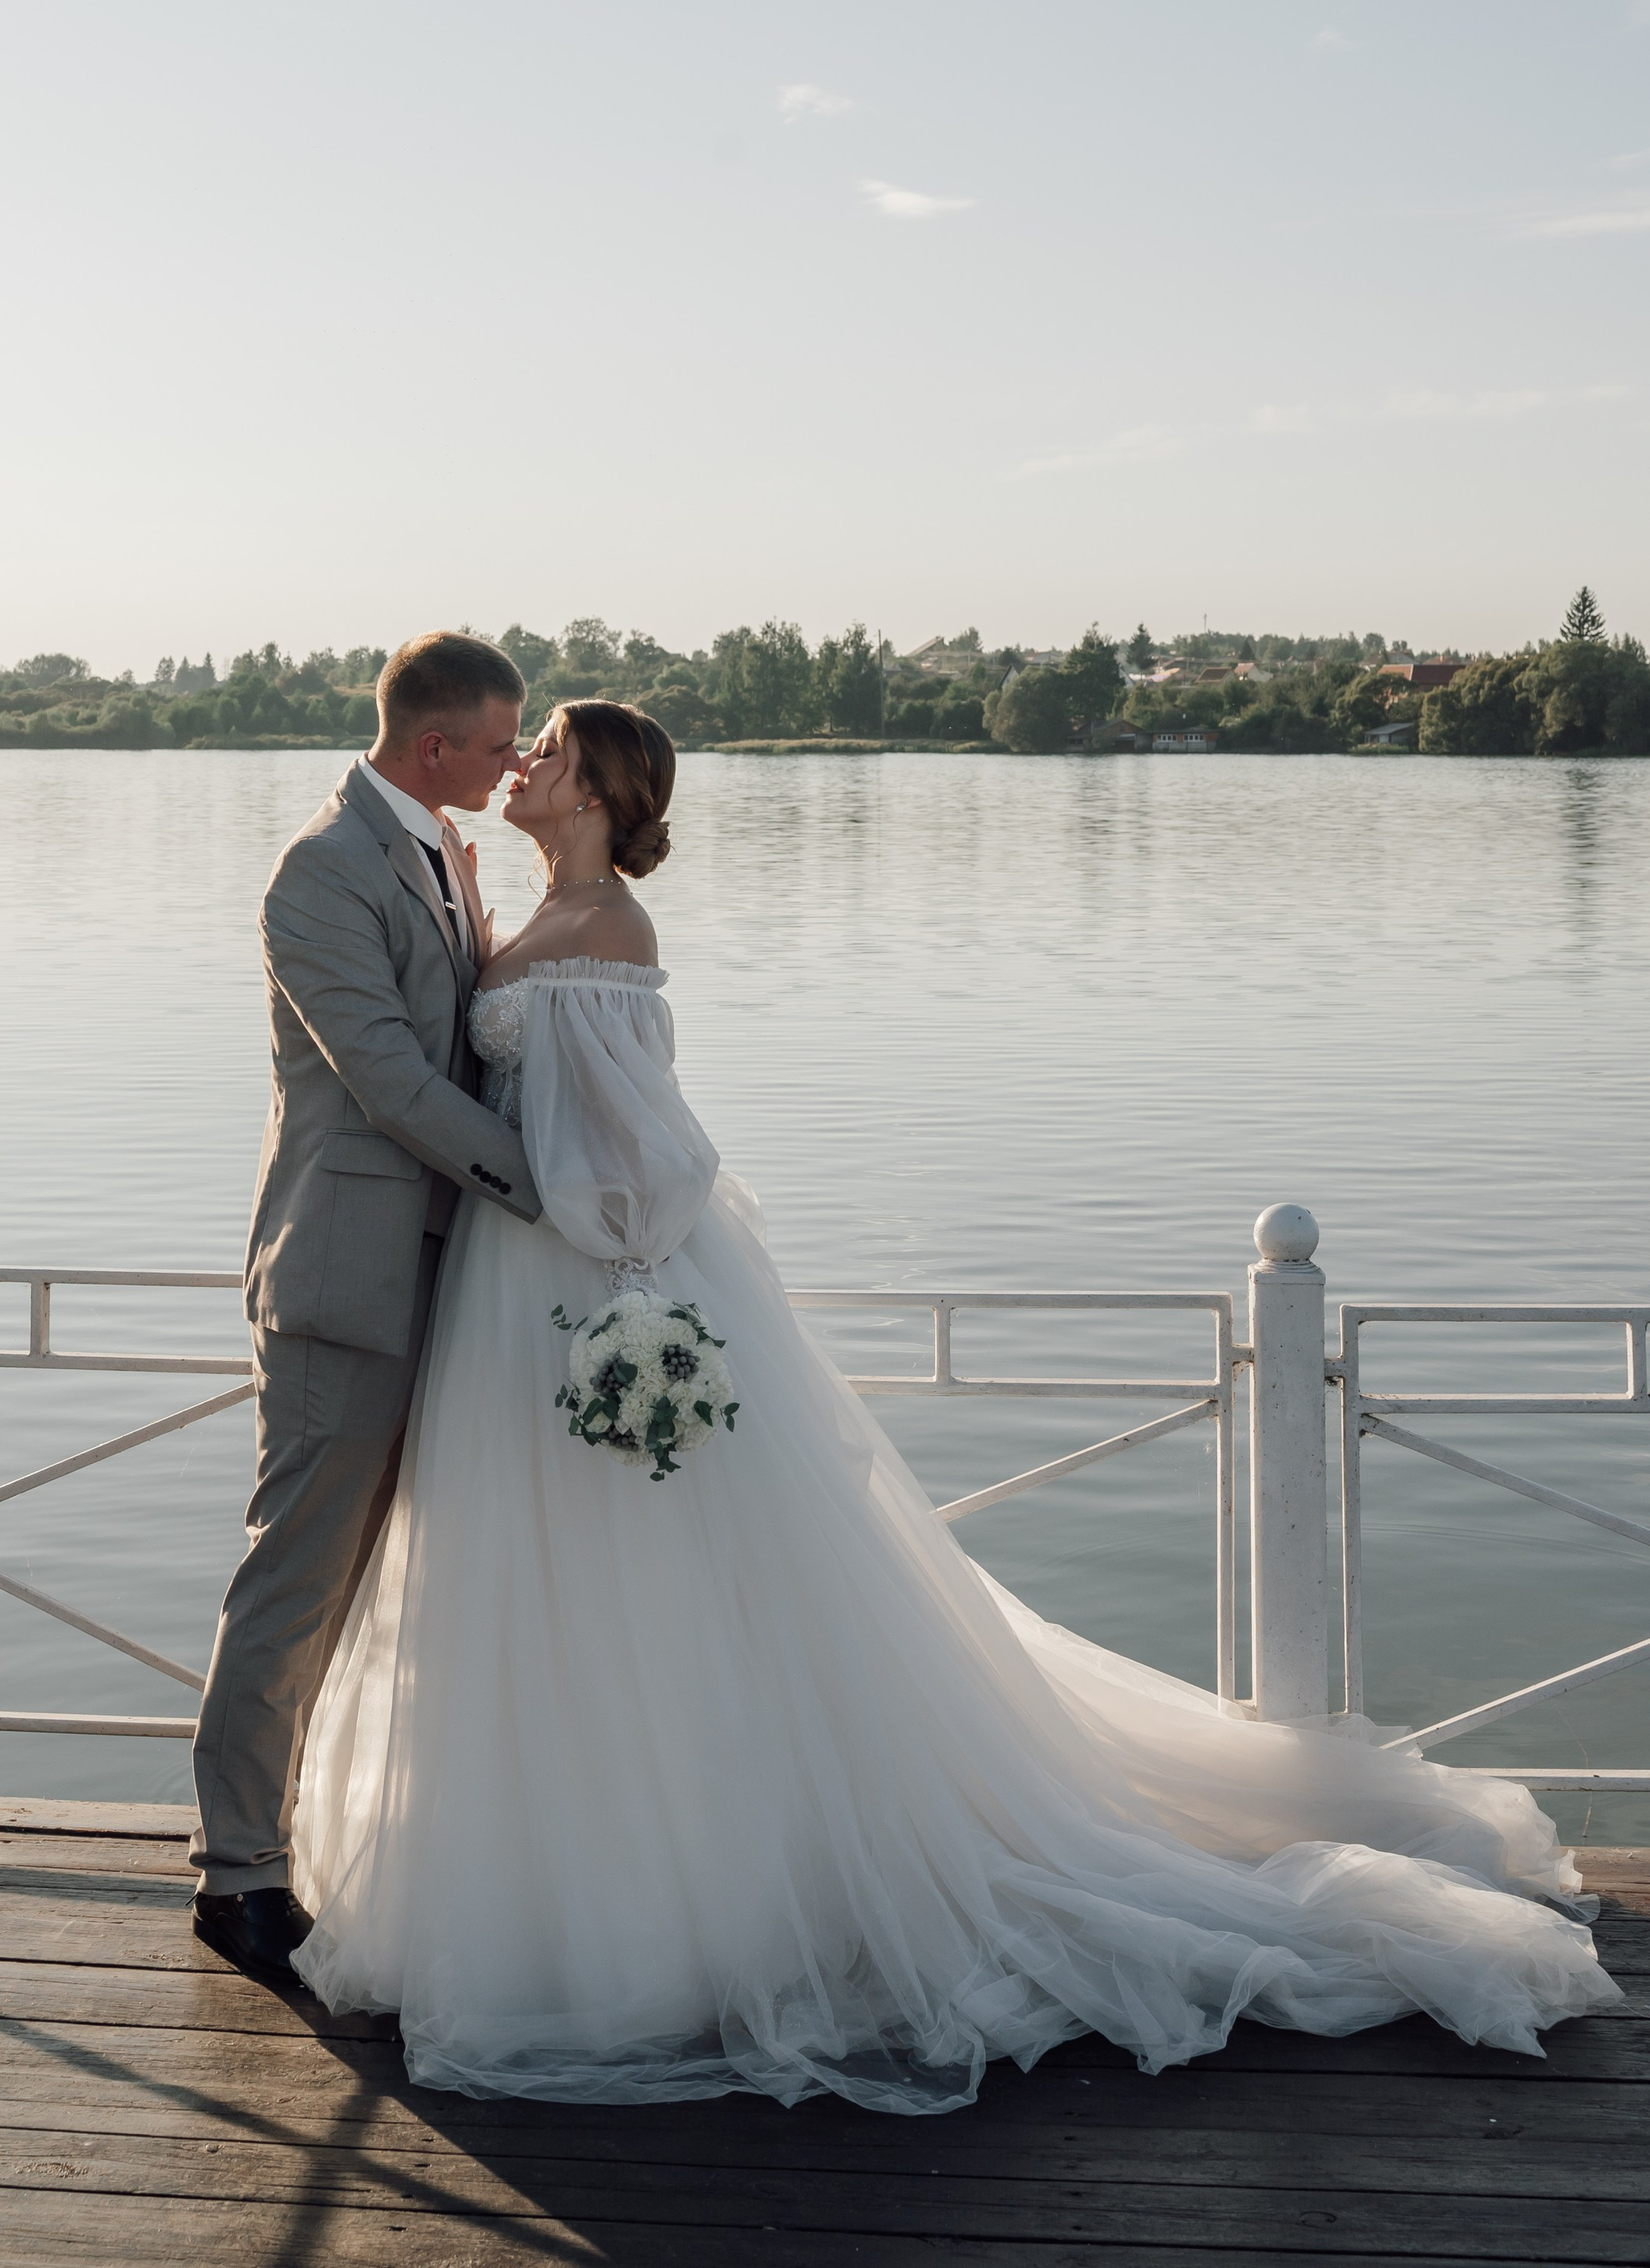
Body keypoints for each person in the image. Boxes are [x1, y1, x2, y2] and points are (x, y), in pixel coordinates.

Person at [287, 697, 1620, 2111]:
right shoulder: (520, 907)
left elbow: (650, 1159)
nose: (525, 764)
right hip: (512, 1291)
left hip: (584, 1285)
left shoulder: (612, 931)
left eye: (548, 750)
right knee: (537, 1587)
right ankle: (557, 1875)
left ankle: (678, 1905)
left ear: (605, 790)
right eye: (524, 745)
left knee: (645, 1587)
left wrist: (615, 1290)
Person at [188, 629, 540, 1986]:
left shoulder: (443, 854)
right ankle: (240, 1876)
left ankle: (358, 1840)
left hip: (453, 1282)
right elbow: (389, 1079)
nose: (515, 766)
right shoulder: (323, 870)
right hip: (346, 1284)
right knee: (297, 1580)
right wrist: (551, 1185)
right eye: (502, 743)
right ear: (433, 743)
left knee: (402, 1588)